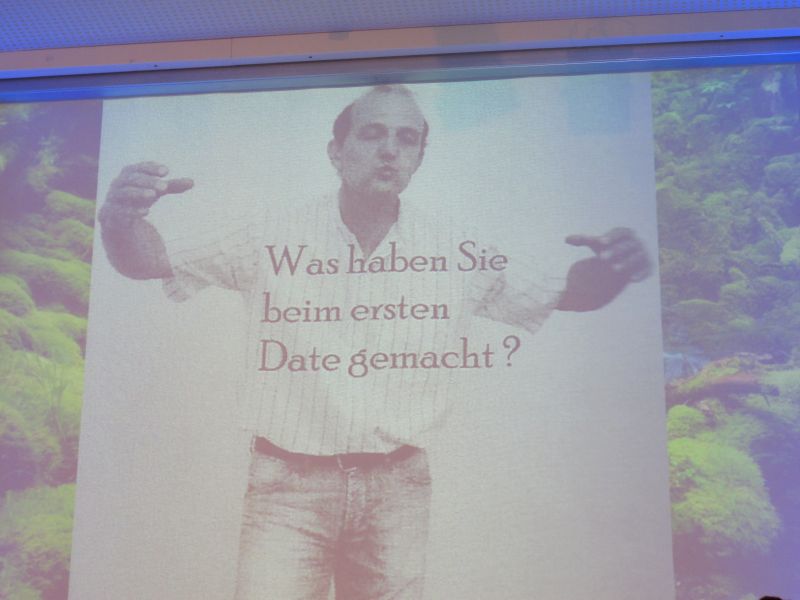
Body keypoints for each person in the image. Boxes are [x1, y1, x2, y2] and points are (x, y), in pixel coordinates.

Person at [98, 84, 651, 599]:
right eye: (372, 134)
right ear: (336, 151)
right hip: (288, 489)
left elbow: (566, 293)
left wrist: (614, 269)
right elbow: (148, 261)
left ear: (419, 158)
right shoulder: (268, 235)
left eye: (406, 139)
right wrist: (120, 221)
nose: (390, 150)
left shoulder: (456, 248)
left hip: (397, 489)